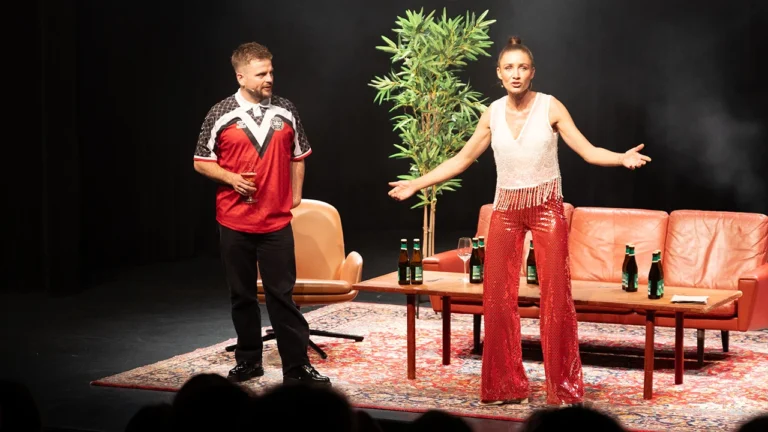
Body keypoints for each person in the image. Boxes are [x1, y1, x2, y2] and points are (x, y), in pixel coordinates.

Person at [388, 36, 650, 405]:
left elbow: (588, 151)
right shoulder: (492, 113)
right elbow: (461, 160)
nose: (516, 74)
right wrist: (418, 182)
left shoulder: (550, 107)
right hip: (506, 210)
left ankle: (563, 390)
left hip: (546, 209)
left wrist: (621, 158)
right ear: (498, 74)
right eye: (509, 68)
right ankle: (505, 385)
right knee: (497, 299)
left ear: (532, 72)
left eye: (522, 67)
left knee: (556, 299)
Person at [193, 42, 329, 385]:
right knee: (241, 295)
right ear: (241, 76)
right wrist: (231, 178)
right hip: (234, 220)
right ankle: (249, 361)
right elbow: (201, 161)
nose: (269, 78)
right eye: (261, 74)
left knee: (282, 295)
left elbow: (299, 155)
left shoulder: (286, 109)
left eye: (271, 71)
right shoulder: (220, 112)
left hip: (275, 221)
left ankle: (296, 366)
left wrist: (295, 195)